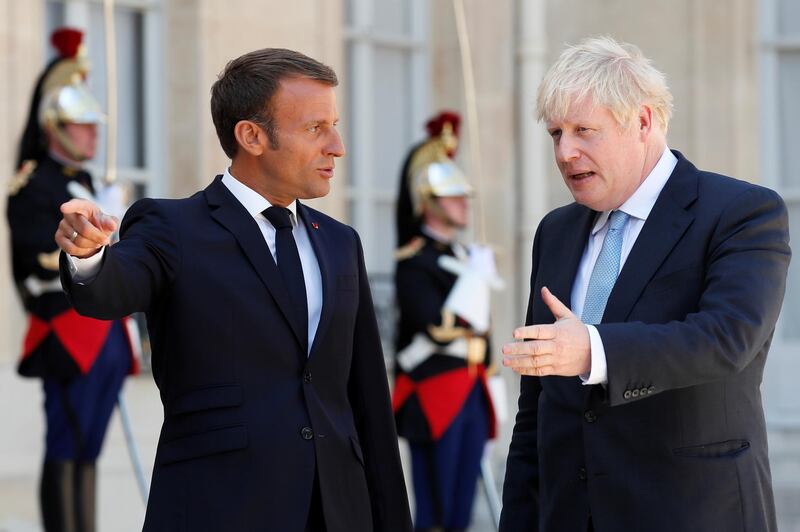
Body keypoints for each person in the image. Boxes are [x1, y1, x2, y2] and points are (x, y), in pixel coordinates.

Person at [55, 47, 412, 531]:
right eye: (315, 128)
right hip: (218, 507)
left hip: (337, 512)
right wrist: (88, 255)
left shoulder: (341, 244)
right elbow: (110, 289)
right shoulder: (172, 227)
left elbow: (366, 397)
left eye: (334, 124)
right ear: (252, 136)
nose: (337, 146)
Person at [499, 36, 791, 532]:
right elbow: (536, 412)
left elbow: (727, 338)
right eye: (555, 133)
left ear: (642, 121)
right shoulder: (556, 230)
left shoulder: (741, 213)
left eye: (584, 131)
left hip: (690, 511)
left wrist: (593, 350)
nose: (566, 152)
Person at [6, 27, 138, 532]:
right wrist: (93, 229)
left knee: (89, 448)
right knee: (67, 442)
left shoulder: (85, 183)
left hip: (103, 330)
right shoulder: (34, 184)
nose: (93, 134)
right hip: (64, 331)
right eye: (81, 126)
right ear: (55, 126)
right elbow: (39, 258)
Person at [392, 112, 497, 531]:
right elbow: (434, 325)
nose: (463, 205)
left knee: (461, 510)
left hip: (470, 385)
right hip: (433, 389)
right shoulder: (416, 262)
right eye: (454, 198)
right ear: (429, 204)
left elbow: (482, 332)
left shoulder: (464, 258)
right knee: (434, 513)